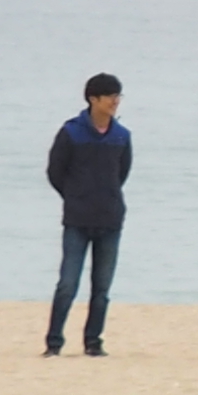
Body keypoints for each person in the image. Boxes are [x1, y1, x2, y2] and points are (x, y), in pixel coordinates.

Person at [44, 73, 132, 358]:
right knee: (67, 284)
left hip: (110, 219)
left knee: (101, 288)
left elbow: (122, 173)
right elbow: (55, 171)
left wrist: (107, 197)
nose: (115, 102)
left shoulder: (122, 135)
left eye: (118, 96)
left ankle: (93, 342)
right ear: (93, 99)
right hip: (78, 220)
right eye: (110, 97)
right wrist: (75, 197)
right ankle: (54, 343)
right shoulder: (72, 132)